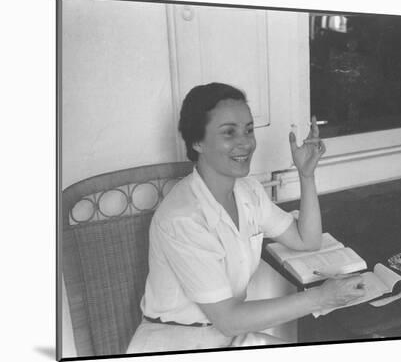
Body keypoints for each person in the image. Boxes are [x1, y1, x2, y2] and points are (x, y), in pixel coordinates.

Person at [127, 82, 367, 353]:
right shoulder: (183, 218)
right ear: (197, 141)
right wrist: (322, 298)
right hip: (177, 341)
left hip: (227, 334)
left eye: (249, 130)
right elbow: (228, 319)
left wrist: (306, 175)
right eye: (229, 132)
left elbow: (306, 240)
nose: (245, 142)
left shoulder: (247, 191)